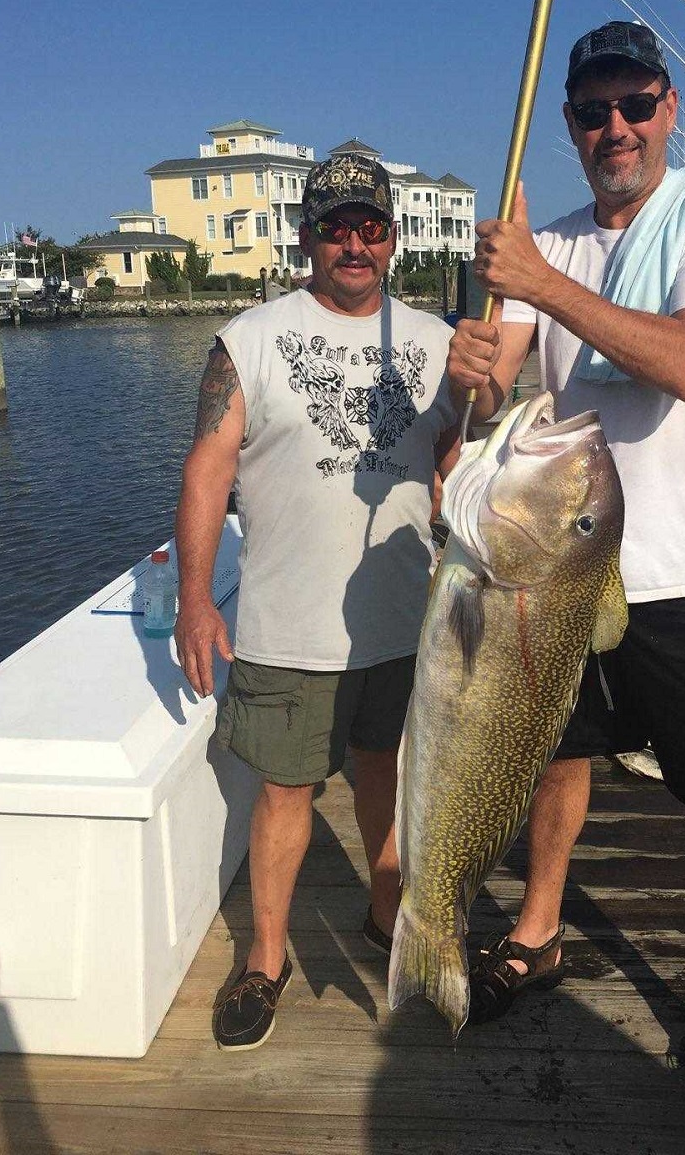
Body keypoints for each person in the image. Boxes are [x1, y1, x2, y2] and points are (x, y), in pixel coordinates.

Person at [448, 21, 685, 1152]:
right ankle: (539, 936)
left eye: (634, 104)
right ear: (568, 126)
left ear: (668, 107)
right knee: (558, 760)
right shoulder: (541, 244)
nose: (615, 130)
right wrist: (477, 371)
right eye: (592, 113)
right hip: (563, 571)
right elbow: (501, 402)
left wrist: (542, 282)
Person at [174, 153, 459, 1052]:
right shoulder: (250, 337)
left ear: (394, 239)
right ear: (308, 235)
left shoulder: (437, 341)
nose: (354, 242)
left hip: (401, 620)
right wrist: (194, 599)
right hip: (287, 625)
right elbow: (207, 471)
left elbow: (456, 451)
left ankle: (388, 918)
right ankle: (266, 958)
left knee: (387, 771)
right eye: (336, 224)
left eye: (371, 226)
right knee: (285, 792)